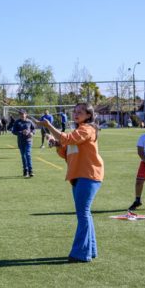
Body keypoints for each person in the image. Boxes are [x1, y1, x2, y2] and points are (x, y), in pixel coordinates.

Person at [36, 103, 104, 263]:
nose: (76, 114)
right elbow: (68, 152)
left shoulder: (87, 129)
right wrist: (57, 144)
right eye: (75, 111)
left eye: (80, 112)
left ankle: (81, 254)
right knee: (85, 214)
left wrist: (48, 125)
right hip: (79, 176)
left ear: (88, 115)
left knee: (83, 214)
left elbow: (67, 138)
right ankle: (90, 250)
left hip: (89, 175)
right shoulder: (79, 131)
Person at [10, 110, 36, 178]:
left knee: (28, 154)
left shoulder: (29, 122)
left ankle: (30, 171)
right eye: (21, 114)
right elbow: (13, 131)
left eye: (23, 114)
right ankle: (25, 170)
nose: (22, 115)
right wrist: (21, 132)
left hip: (28, 141)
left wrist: (32, 133)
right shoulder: (17, 122)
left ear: (26, 114)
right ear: (19, 115)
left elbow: (33, 129)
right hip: (21, 142)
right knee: (23, 156)